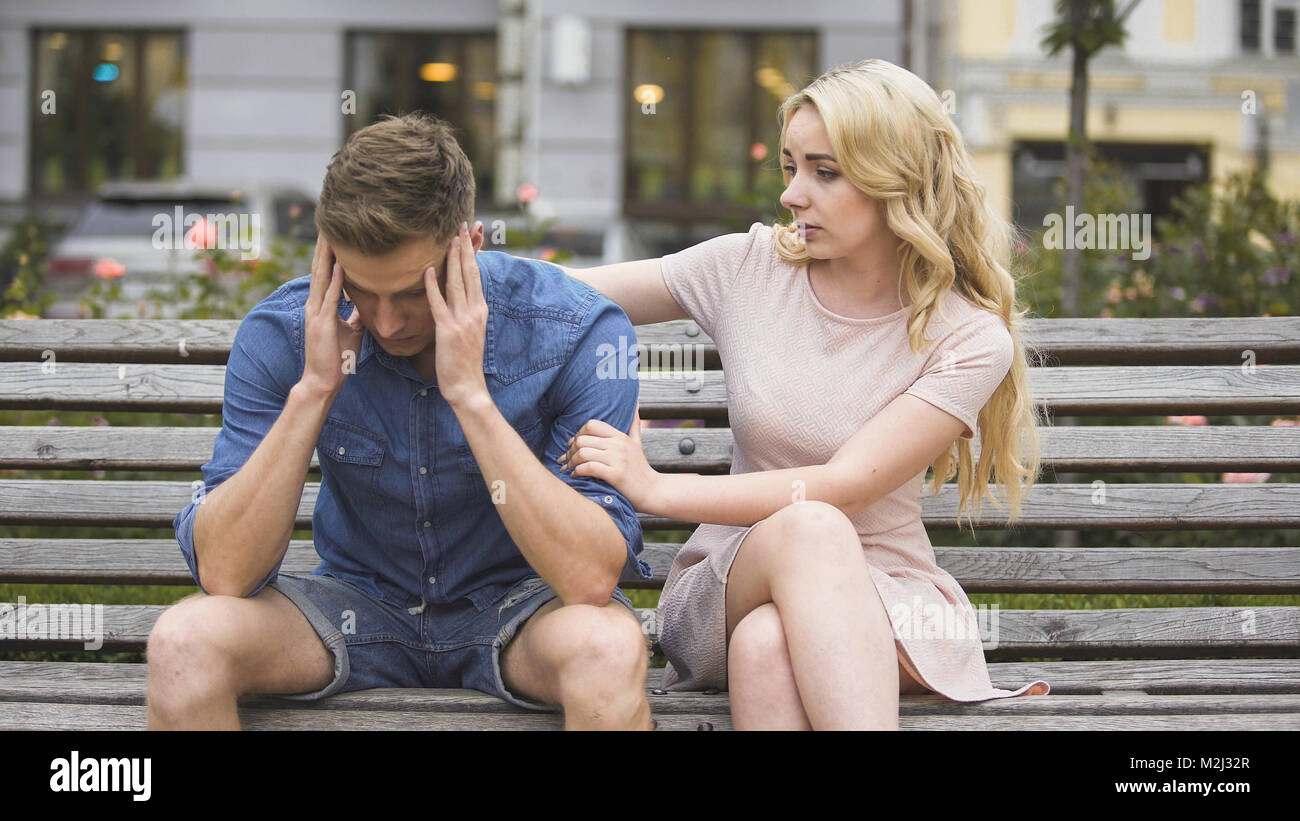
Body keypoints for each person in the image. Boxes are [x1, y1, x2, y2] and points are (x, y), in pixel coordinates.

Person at [557, 59, 1050, 730]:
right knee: (808, 535)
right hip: (734, 574)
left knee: (768, 644)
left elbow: (843, 484)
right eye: (789, 167)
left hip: (893, 593)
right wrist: (442, 262)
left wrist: (656, 488)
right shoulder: (749, 267)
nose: (792, 194)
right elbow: (563, 296)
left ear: (897, 179)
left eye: (823, 171)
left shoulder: (966, 337)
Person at [147, 113, 654, 730]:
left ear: (468, 244)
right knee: (183, 643)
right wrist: (314, 390)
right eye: (362, 290)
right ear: (328, 256)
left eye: (415, 292)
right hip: (356, 606)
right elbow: (227, 573)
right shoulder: (282, 334)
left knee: (609, 646)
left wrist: (471, 396)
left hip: (526, 609)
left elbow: (589, 577)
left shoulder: (577, 331)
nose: (386, 325)